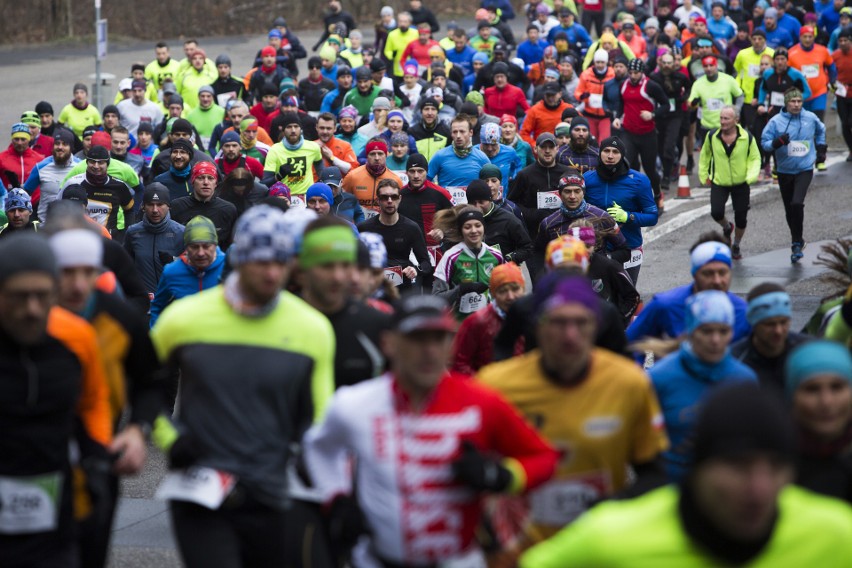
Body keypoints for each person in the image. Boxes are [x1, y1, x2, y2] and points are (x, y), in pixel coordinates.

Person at [302, 293, 558, 567]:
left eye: (439, 339)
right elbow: (318, 448)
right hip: (376, 560)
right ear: (389, 344)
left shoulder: (482, 401)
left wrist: (502, 476)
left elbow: (544, 458)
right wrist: (336, 498)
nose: (430, 351)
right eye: (417, 339)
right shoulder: (353, 404)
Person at [151, 205, 335, 567]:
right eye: (261, 262)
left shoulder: (312, 329)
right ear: (239, 259)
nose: (272, 273)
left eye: (281, 263)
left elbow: (319, 418)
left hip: (272, 490)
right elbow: (143, 389)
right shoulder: (183, 320)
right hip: (201, 490)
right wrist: (171, 440)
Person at [520, 383, 852, 566]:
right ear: (698, 466)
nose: (759, 489)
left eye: (777, 467)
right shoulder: (607, 539)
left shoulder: (838, 534)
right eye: (738, 466)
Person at [478, 275, 669, 543]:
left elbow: (655, 473)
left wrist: (612, 505)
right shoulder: (493, 385)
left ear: (596, 327)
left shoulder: (629, 382)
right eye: (558, 322)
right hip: (521, 549)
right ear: (537, 326)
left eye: (581, 322)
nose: (570, 335)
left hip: (597, 546)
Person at [47, 227, 162, 568]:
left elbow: (151, 381)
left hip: (101, 448)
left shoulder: (121, 318)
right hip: (35, 450)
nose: (78, 284)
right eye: (67, 273)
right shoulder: (27, 313)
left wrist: (138, 428)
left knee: (92, 548)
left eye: (88, 273)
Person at [0, 233, 112, 568]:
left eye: (42, 296)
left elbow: (94, 402)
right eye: (19, 297)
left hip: (56, 504)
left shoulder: (77, 338)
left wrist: (97, 453)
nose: (32, 309)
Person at [649, 290, 758, 481]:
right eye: (706, 331)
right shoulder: (659, 378)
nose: (715, 340)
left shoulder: (746, 380)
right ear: (691, 330)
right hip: (672, 489)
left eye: (723, 331)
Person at [296, 218, 391, 388]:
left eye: (346, 265)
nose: (338, 277)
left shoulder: (379, 325)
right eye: (327, 266)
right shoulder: (279, 323)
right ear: (303, 270)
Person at [628, 239, 751, 343]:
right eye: (708, 273)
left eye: (722, 273)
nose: (717, 281)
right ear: (695, 274)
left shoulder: (742, 311)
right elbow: (629, 344)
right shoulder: (665, 305)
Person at [761, 88, 826, 264]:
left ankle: (796, 243)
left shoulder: (810, 118)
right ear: (786, 103)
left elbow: (821, 130)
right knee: (790, 209)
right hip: (784, 171)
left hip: (805, 168)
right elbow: (764, 143)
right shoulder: (776, 122)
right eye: (793, 101)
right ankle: (798, 239)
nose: (796, 105)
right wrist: (777, 142)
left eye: (799, 101)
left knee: (797, 203)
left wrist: (821, 149)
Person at [584, 136, 658, 283]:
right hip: (596, 250)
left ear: (622, 155)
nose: (610, 156)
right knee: (597, 300)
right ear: (600, 153)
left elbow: (652, 217)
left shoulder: (639, 180)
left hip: (629, 248)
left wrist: (627, 216)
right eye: (606, 151)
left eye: (615, 152)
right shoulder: (588, 178)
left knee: (626, 297)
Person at [786, 341, 852, 502]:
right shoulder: (775, 466)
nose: (826, 402)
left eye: (836, 387)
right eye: (812, 389)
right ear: (792, 396)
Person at [698, 105, 761, 260]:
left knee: (741, 218)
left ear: (736, 120)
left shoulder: (747, 137)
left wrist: (751, 176)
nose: (723, 121)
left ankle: (737, 244)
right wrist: (703, 174)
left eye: (726, 118)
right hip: (720, 181)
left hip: (741, 182)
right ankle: (727, 227)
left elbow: (754, 158)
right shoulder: (712, 135)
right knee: (716, 212)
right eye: (721, 118)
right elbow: (705, 155)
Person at [535, 170, 629, 271]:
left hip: (598, 277)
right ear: (560, 194)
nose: (572, 196)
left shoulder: (602, 217)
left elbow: (625, 251)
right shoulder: (548, 223)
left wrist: (604, 260)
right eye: (567, 191)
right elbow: (539, 254)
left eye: (577, 191)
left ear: (583, 193)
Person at [357, 178, 432, 291]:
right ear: (378, 200)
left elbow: (426, 263)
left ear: (400, 199)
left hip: (402, 289)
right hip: (373, 288)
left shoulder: (411, 227)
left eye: (394, 197)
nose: (390, 201)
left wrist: (416, 270)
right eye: (384, 197)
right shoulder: (364, 228)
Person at [732, 283, 810, 391]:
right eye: (769, 324)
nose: (778, 331)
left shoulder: (808, 351)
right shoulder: (735, 361)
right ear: (753, 323)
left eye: (783, 322)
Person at [451, 262, 525, 374]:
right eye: (503, 291)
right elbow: (459, 363)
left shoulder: (533, 318)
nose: (510, 296)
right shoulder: (476, 322)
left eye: (515, 289)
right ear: (493, 293)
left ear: (523, 289)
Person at [433, 207, 504, 319]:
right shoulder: (451, 257)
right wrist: (459, 290)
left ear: (484, 227)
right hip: (459, 324)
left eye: (478, 225)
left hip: (488, 322)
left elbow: (503, 291)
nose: (474, 230)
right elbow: (436, 298)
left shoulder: (496, 256)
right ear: (461, 230)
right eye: (467, 227)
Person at [123, 184, 186, 296]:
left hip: (172, 299)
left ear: (168, 206)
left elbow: (193, 265)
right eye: (150, 205)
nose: (155, 210)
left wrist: (174, 260)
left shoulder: (181, 232)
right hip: (144, 301)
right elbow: (125, 268)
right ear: (143, 206)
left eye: (160, 204)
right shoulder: (133, 232)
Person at [63, 145, 135, 240]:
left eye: (100, 162)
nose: (96, 166)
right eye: (92, 162)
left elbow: (130, 211)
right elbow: (58, 208)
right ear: (87, 162)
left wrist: (125, 235)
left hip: (108, 241)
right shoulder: (73, 183)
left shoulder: (119, 186)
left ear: (107, 164)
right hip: (79, 239)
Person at [508, 132, 570, 239]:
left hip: (563, 231)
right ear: (535, 149)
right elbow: (511, 204)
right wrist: (534, 214)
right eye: (543, 147)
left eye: (551, 147)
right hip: (533, 234)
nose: (547, 151)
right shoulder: (524, 175)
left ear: (557, 149)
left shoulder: (567, 173)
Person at [466, 179, 533, 265]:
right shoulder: (464, 219)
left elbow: (528, 248)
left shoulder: (509, 220)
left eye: (481, 202)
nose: (477, 207)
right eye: (473, 203)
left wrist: (509, 258)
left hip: (502, 273)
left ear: (490, 200)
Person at [170, 162, 238, 247]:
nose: (206, 182)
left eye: (210, 178)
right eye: (200, 178)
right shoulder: (177, 206)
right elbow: (170, 239)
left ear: (216, 183)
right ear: (193, 181)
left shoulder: (228, 209)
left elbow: (232, 244)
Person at [263, 112, 324, 201]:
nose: (293, 130)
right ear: (283, 130)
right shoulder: (274, 150)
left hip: (307, 197)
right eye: (289, 127)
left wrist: (318, 185)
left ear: (301, 129)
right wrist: (279, 176)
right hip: (284, 198)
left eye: (296, 126)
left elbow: (320, 169)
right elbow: (264, 183)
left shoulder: (313, 147)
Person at [688, 55, 745, 145]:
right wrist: (693, 104)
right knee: (708, 156)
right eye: (706, 66)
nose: (709, 68)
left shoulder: (728, 79)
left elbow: (740, 95)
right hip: (707, 126)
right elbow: (690, 106)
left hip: (726, 125)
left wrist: (737, 109)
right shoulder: (698, 84)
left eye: (711, 65)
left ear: (716, 66)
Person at [341, 139, 403, 216]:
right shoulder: (352, 176)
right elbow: (342, 203)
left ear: (386, 155)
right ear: (367, 156)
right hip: (359, 224)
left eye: (380, 154)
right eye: (372, 154)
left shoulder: (396, 180)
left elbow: (400, 208)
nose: (377, 158)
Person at [788, 26, 836, 125]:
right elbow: (787, 74)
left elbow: (831, 66)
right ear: (800, 37)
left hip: (819, 92)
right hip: (800, 95)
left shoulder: (822, 51)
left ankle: (819, 140)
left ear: (814, 37)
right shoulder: (791, 53)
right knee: (802, 123)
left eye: (810, 37)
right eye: (805, 37)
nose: (807, 39)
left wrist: (832, 81)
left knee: (818, 121)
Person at [427, 116, 490, 189]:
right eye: (455, 132)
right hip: (445, 200)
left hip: (473, 200)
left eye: (462, 131)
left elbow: (492, 184)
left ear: (471, 132)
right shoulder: (440, 156)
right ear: (451, 134)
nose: (458, 136)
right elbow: (425, 181)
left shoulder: (482, 158)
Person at [0, 122, 45, 189]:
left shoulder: (40, 159)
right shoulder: (1, 158)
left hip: (33, 199)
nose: (19, 143)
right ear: (12, 139)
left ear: (29, 139)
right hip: (8, 198)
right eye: (16, 139)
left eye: (23, 139)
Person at [833, 28, 852, 161]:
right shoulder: (835, 56)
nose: (843, 43)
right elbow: (829, 71)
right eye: (840, 41)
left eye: (845, 40)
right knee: (845, 123)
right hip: (841, 93)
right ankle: (851, 149)